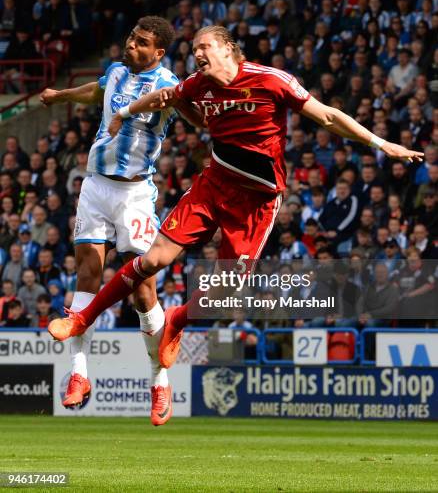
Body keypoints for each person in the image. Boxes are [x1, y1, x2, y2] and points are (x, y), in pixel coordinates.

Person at [48, 25, 423, 377]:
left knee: (226, 290)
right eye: (193, 49)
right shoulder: (197, 84)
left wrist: (381, 144)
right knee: (153, 260)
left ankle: (178, 320)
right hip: (213, 185)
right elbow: (162, 96)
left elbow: (326, 117)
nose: (196, 54)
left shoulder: (271, 80)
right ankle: (83, 317)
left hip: (256, 202)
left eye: (204, 46)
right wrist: (125, 113)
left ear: (228, 48)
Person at [41, 16, 203, 425]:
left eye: (141, 42)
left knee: (143, 292)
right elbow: (94, 92)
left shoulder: (167, 85)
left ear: (159, 52)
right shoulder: (115, 71)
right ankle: (79, 375)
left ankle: (159, 378)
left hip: (134, 194)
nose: (131, 45)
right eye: (132, 38)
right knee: (86, 276)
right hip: (95, 185)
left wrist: (186, 103)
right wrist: (60, 95)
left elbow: (198, 120)